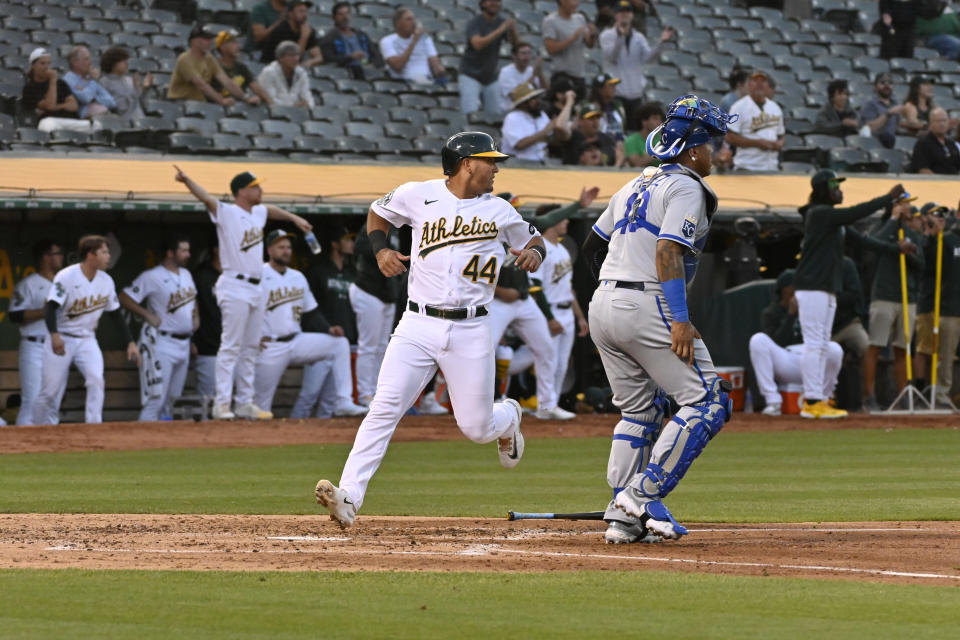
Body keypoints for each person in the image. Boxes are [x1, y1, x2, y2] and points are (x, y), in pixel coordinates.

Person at [315, 131, 546, 529]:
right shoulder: (416, 193)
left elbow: (535, 239)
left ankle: (507, 417)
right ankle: (349, 495)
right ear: (467, 163)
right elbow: (377, 213)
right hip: (417, 323)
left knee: (475, 429)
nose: (496, 168)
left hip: (471, 327)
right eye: (490, 161)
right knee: (384, 407)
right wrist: (382, 249)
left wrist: (534, 252)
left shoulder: (500, 210)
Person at [582, 95, 737, 543]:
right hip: (646, 302)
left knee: (640, 411)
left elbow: (592, 248)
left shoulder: (633, 184)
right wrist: (678, 318)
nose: (717, 152)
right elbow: (668, 250)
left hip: (605, 303)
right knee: (709, 402)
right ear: (692, 149)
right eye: (713, 143)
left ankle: (621, 518)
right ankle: (642, 495)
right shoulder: (686, 186)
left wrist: (613, 294)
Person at [173, 166, 312, 420]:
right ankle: (222, 403)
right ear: (241, 191)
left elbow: (270, 210)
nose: (260, 190)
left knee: (250, 347)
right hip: (234, 283)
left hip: (256, 285)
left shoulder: (258, 212)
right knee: (231, 346)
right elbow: (205, 197)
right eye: (255, 186)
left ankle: (245, 401)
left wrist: (293, 218)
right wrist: (186, 180)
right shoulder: (228, 212)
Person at [794, 169, 906, 418]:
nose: (840, 190)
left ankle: (820, 399)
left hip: (825, 288)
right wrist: (887, 198)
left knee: (822, 344)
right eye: (835, 185)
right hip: (812, 287)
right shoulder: (820, 214)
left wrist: (894, 249)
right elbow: (857, 213)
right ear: (824, 189)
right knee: (815, 344)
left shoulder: (834, 223)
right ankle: (812, 402)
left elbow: (864, 242)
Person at [254, 231, 368, 417]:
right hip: (270, 345)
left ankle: (343, 401)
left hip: (296, 340)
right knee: (260, 407)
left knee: (339, 343)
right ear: (269, 250)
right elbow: (246, 310)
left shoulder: (297, 276)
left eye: (288, 247)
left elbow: (311, 310)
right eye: (281, 247)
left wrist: (328, 329)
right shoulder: (258, 274)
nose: (286, 251)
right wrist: (252, 337)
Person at [31, 236, 141, 425]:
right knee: (50, 392)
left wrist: (130, 341)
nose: (108, 256)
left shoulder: (106, 281)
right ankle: (37, 429)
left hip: (87, 339)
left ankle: (93, 426)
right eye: (104, 252)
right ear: (90, 255)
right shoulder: (66, 276)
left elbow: (115, 315)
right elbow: (51, 307)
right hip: (63, 336)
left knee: (96, 380)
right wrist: (54, 335)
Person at [120, 236, 198, 422]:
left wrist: (196, 317)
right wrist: (146, 314)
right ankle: (142, 443)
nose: (188, 254)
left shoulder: (186, 274)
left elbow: (192, 299)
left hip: (184, 342)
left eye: (188, 250)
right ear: (170, 253)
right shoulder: (152, 276)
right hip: (163, 343)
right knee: (156, 399)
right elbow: (123, 297)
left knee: (173, 401)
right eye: (183, 250)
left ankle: (164, 445)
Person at [748, 269, 844, 416]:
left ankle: (825, 398)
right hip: (787, 360)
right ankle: (773, 402)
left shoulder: (813, 307)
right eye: (791, 289)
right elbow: (778, 341)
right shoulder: (772, 312)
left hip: (812, 360)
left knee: (835, 349)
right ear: (782, 290)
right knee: (758, 340)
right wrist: (791, 315)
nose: (795, 293)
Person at [862, 198, 925, 410]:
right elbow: (873, 245)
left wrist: (909, 253)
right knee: (876, 345)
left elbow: (922, 265)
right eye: (904, 203)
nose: (908, 208)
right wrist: (893, 220)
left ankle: (903, 395)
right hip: (884, 295)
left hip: (907, 297)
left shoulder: (912, 233)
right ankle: (869, 396)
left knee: (902, 348)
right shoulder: (882, 227)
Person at [531, 203, 590, 415]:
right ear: (551, 220)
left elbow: (569, 287)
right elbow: (535, 289)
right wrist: (548, 318)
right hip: (550, 311)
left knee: (562, 364)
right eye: (562, 218)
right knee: (548, 361)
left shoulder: (563, 249)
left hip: (566, 309)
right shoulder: (539, 248)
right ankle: (545, 406)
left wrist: (580, 317)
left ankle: (550, 405)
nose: (566, 221)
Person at [9, 240, 63, 425]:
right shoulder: (29, 284)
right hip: (34, 345)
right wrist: (44, 311)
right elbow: (15, 315)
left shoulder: (63, 284)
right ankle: (19, 447)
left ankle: (50, 446)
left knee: (53, 401)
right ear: (46, 257)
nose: (61, 257)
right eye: (57, 253)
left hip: (56, 346)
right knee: (32, 399)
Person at [348, 224, 403, 407]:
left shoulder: (396, 230)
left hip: (387, 294)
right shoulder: (375, 225)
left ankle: (377, 393)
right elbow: (360, 247)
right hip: (368, 290)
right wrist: (384, 252)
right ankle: (365, 395)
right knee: (368, 346)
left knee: (382, 347)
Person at [599, 0, 672, 129]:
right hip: (617, 93)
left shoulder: (638, 37)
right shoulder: (607, 35)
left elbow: (648, 58)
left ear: (632, 15)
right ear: (615, 15)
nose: (624, 14)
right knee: (618, 128)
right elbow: (612, 57)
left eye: (627, 11)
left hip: (635, 93)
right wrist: (620, 38)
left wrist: (661, 43)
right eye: (621, 12)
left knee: (634, 129)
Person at [459, 0, 518, 116]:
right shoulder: (475, 22)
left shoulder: (501, 22)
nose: (495, 3)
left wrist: (512, 29)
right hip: (470, 74)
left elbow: (516, 46)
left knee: (495, 115)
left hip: (491, 76)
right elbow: (477, 44)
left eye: (498, 1)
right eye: (491, 1)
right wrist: (500, 30)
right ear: (483, 4)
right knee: (470, 113)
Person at [168, 25, 251, 106]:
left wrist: (246, 98)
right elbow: (200, 84)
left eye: (210, 39)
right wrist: (221, 101)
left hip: (199, 104)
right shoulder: (184, 58)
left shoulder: (209, 59)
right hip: (180, 103)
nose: (209, 42)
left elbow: (226, 82)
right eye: (206, 39)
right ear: (194, 41)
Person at [726, 71, 784, 172]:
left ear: (767, 86)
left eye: (763, 81)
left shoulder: (775, 108)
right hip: (747, 167)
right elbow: (730, 137)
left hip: (771, 168)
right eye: (755, 80)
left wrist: (779, 143)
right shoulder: (738, 107)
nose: (759, 84)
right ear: (749, 85)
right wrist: (757, 143)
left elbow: (781, 135)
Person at [21, 48, 87, 133]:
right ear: (33, 66)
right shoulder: (30, 88)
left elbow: (73, 106)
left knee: (96, 125)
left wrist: (57, 107)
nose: (46, 67)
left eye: (48, 63)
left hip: (70, 121)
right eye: (42, 63)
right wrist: (52, 80)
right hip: (50, 120)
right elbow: (50, 106)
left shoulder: (60, 83)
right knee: (48, 125)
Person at [380, 7, 447, 85]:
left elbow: (434, 62)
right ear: (398, 23)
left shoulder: (425, 39)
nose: (413, 22)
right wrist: (414, 41)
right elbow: (398, 67)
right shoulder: (387, 41)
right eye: (408, 19)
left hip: (426, 79)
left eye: (413, 19)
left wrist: (439, 70)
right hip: (404, 81)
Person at [542, 0, 597, 94]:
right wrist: (573, 38)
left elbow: (589, 45)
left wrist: (592, 35)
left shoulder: (580, 18)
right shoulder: (550, 21)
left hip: (579, 74)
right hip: (562, 74)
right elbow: (550, 48)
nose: (576, 3)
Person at [501, 83, 564, 162]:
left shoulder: (542, 115)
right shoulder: (512, 117)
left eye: (537, 97)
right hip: (517, 164)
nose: (538, 101)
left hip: (541, 162)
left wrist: (557, 129)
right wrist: (545, 131)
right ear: (523, 103)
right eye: (533, 98)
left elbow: (554, 142)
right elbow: (519, 145)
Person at [320, 2, 383, 80]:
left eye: (347, 13)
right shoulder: (329, 38)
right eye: (341, 14)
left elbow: (376, 56)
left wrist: (373, 64)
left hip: (366, 70)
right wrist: (351, 57)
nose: (345, 17)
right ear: (334, 18)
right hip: (344, 74)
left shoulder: (362, 35)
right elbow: (329, 59)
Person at [192, 237, 222, 398]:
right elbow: (191, 309)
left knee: (231, 396)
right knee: (208, 398)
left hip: (232, 348)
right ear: (216, 250)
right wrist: (192, 340)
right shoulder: (202, 275)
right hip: (208, 346)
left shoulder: (236, 276)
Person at [213, 30, 271, 106]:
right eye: (233, 42)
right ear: (222, 47)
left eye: (237, 43)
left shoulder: (241, 67)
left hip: (240, 106)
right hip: (219, 105)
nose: (238, 46)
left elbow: (256, 87)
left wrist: (271, 104)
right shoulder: (214, 65)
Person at [259, 0, 323, 67]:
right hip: (271, 67)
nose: (304, 15)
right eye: (300, 11)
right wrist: (304, 37)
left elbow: (319, 57)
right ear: (290, 13)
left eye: (306, 11)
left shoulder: (308, 30)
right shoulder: (281, 31)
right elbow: (292, 59)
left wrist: (310, 62)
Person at [561, 102, 622, 167]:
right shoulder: (572, 138)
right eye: (591, 118)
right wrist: (569, 102)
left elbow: (617, 157)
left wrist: (618, 163)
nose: (595, 121)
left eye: (597, 117)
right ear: (580, 121)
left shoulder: (607, 139)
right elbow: (560, 127)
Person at [257, 41, 315, 108]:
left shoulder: (301, 73)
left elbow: (307, 96)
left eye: (297, 55)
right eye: (292, 56)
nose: (296, 59)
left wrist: (308, 105)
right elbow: (270, 99)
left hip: (297, 113)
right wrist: (292, 107)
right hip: (274, 113)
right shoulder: (268, 72)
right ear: (281, 58)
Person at [98, 46, 151, 120]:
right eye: (122, 60)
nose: (126, 63)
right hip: (124, 124)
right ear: (112, 63)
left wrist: (145, 89)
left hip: (140, 120)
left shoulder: (130, 80)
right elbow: (120, 108)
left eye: (126, 60)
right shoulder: (104, 82)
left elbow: (144, 106)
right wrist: (135, 91)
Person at [63, 46, 116, 118]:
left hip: (105, 116)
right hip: (85, 119)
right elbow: (85, 99)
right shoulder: (68, 80)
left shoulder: (90, 79)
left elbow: (111, 102)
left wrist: (94, 99)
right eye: (86, 59)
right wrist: (93, 83)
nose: (90, 62)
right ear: (75, 63)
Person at [858, 72, 905, 149]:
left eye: (890, 83)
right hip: (874, 145)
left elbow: (898, 126)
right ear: (875, 87)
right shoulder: (870, 104)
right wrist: (888, 114)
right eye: (882, 83)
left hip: (892, 144)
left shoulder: (896, 103)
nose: (887, 85)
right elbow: (868, 128)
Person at [497, 42, 546, 115]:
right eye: (523, 53)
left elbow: (545, 91)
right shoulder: (505, 72)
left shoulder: (531, 70)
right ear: (514, 56)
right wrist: (534, 75)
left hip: (529, 111)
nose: (527, 57)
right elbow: (516, 95)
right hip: (511, 111)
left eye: (529, 53)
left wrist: (540, 74)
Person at [910, 107, 960, 174]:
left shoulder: (952, 144)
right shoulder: (922, 144)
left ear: (948, 123)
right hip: (933, 182)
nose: (942, 124)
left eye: (944, 121)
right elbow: (922, 169)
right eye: (938, 121)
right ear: (930, 124)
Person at [624, 102, 664, 168]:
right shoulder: (631, 141)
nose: (660, 122)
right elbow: (637, 163)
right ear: (644, 121)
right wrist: (658, 152)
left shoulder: (662, 139)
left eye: (660, 119)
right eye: (655, 118)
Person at [590, 73, 627, 141]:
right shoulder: (589, 107)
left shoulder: (618, 106)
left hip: (620, 142)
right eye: (610, 85)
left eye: (614, 85)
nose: (614, 88)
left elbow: (623, 127)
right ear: (600, 89)